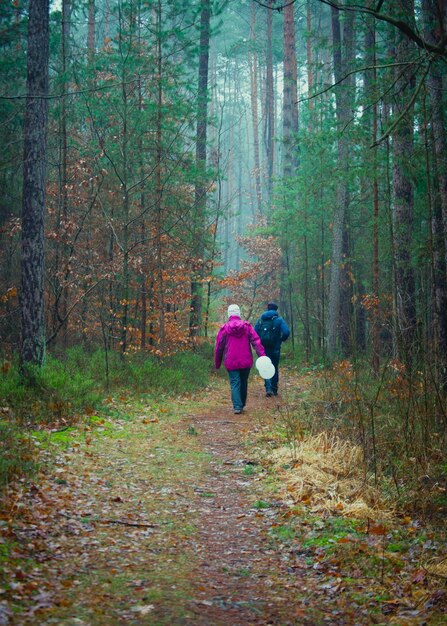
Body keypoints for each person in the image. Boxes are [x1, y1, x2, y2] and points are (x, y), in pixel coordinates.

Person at [215, 304, 266, 414]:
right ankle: (241, 404)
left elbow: (219, 347)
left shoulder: (225, 329)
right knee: (243, 381)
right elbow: (256, 341)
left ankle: (237, 406)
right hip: (246, 360)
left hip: (231, 361)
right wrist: (262, 356)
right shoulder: (246, 327)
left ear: (229, 314)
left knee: (234, 382)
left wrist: (217, 363)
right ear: (239, 313)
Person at [255, 302, 290, 397]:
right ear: (276, 310)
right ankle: (274, 389)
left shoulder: (260, 320)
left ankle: (268, 388)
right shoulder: (279, 320)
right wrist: (281, 340)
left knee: (265, 367)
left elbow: (254, 334)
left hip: (263, 349)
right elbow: (286, 332)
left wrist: (258, 346)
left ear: (267, 309)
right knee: (274, 367)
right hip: (275, 348)